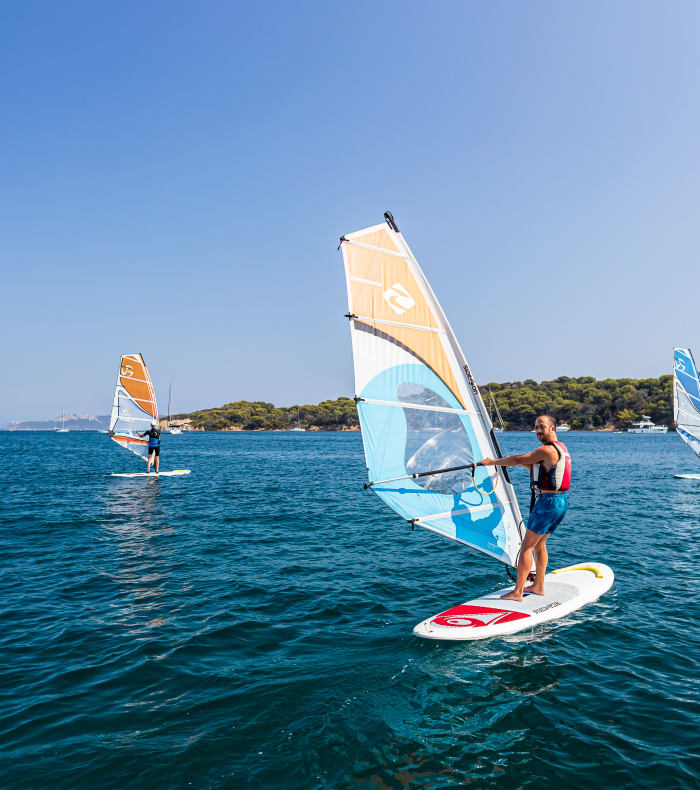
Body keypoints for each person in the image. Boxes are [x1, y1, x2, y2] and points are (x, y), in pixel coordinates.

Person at [478, 414, 571, 601]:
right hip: (560, 502)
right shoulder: (561, 449)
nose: (537, 431)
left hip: (548, 504)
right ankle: (538, 586)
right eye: (536, 427)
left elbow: (521, 458)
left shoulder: (546, 450)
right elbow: (536, 468)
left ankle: (518, 592)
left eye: (541, 427)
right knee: (540, 545)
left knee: (526, 548)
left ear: (553, 428)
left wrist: (493, 462)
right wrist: (515, 463)